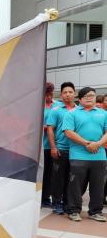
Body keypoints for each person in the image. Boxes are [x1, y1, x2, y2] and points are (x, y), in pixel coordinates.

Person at [62, 87, 107, 222]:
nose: (89, 98)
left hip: (99, 156)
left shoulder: (103, 113)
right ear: (80, 99)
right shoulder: (71, 113)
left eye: (92, 95)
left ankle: (95, 211)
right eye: (86, 96)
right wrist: (87, 143)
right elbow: (68, 132)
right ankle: (73, 211)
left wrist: (98, 144)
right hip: (78, 155)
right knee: (75, 185)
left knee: (98, 185)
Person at [46, 82, 76, 215]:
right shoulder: (56, 110)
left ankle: (68, 201)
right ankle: (57, 203)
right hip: (61, 149)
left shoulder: (79, 110)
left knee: (72, 178)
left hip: (76, 151)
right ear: (61, 94)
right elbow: (50, 129)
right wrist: (53, 147)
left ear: (74, 93)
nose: (68, 94)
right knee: (58, 178)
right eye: (65, 92)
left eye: (70, 92)